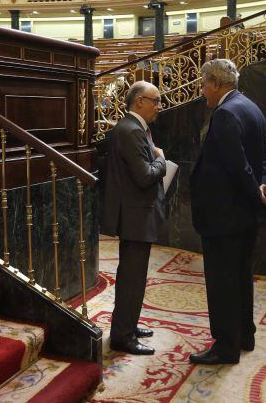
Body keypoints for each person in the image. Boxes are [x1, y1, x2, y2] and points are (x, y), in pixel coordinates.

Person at [189, 59, 266, 365]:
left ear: (215, 83)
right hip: (244, 217)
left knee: (223, 281)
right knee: (241, 276)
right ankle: (244, 335)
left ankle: (226, 346)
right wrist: (265, 186)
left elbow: (237, 165)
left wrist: (255, 192)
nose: (203, 92)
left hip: (223, 216)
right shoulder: (252, 107)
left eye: (204, 85)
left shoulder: (226, 113)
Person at [101, 81, 166, 355]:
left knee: (133, 277)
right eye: (156, 100)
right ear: (139, 101)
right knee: (131, 278)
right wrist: (161, 160)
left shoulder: (133, 129)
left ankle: (128, 324)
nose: (159, 106)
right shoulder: (131, 131)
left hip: (135, 215)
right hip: (135, 217)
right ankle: (123, 336)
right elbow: (145, 175)